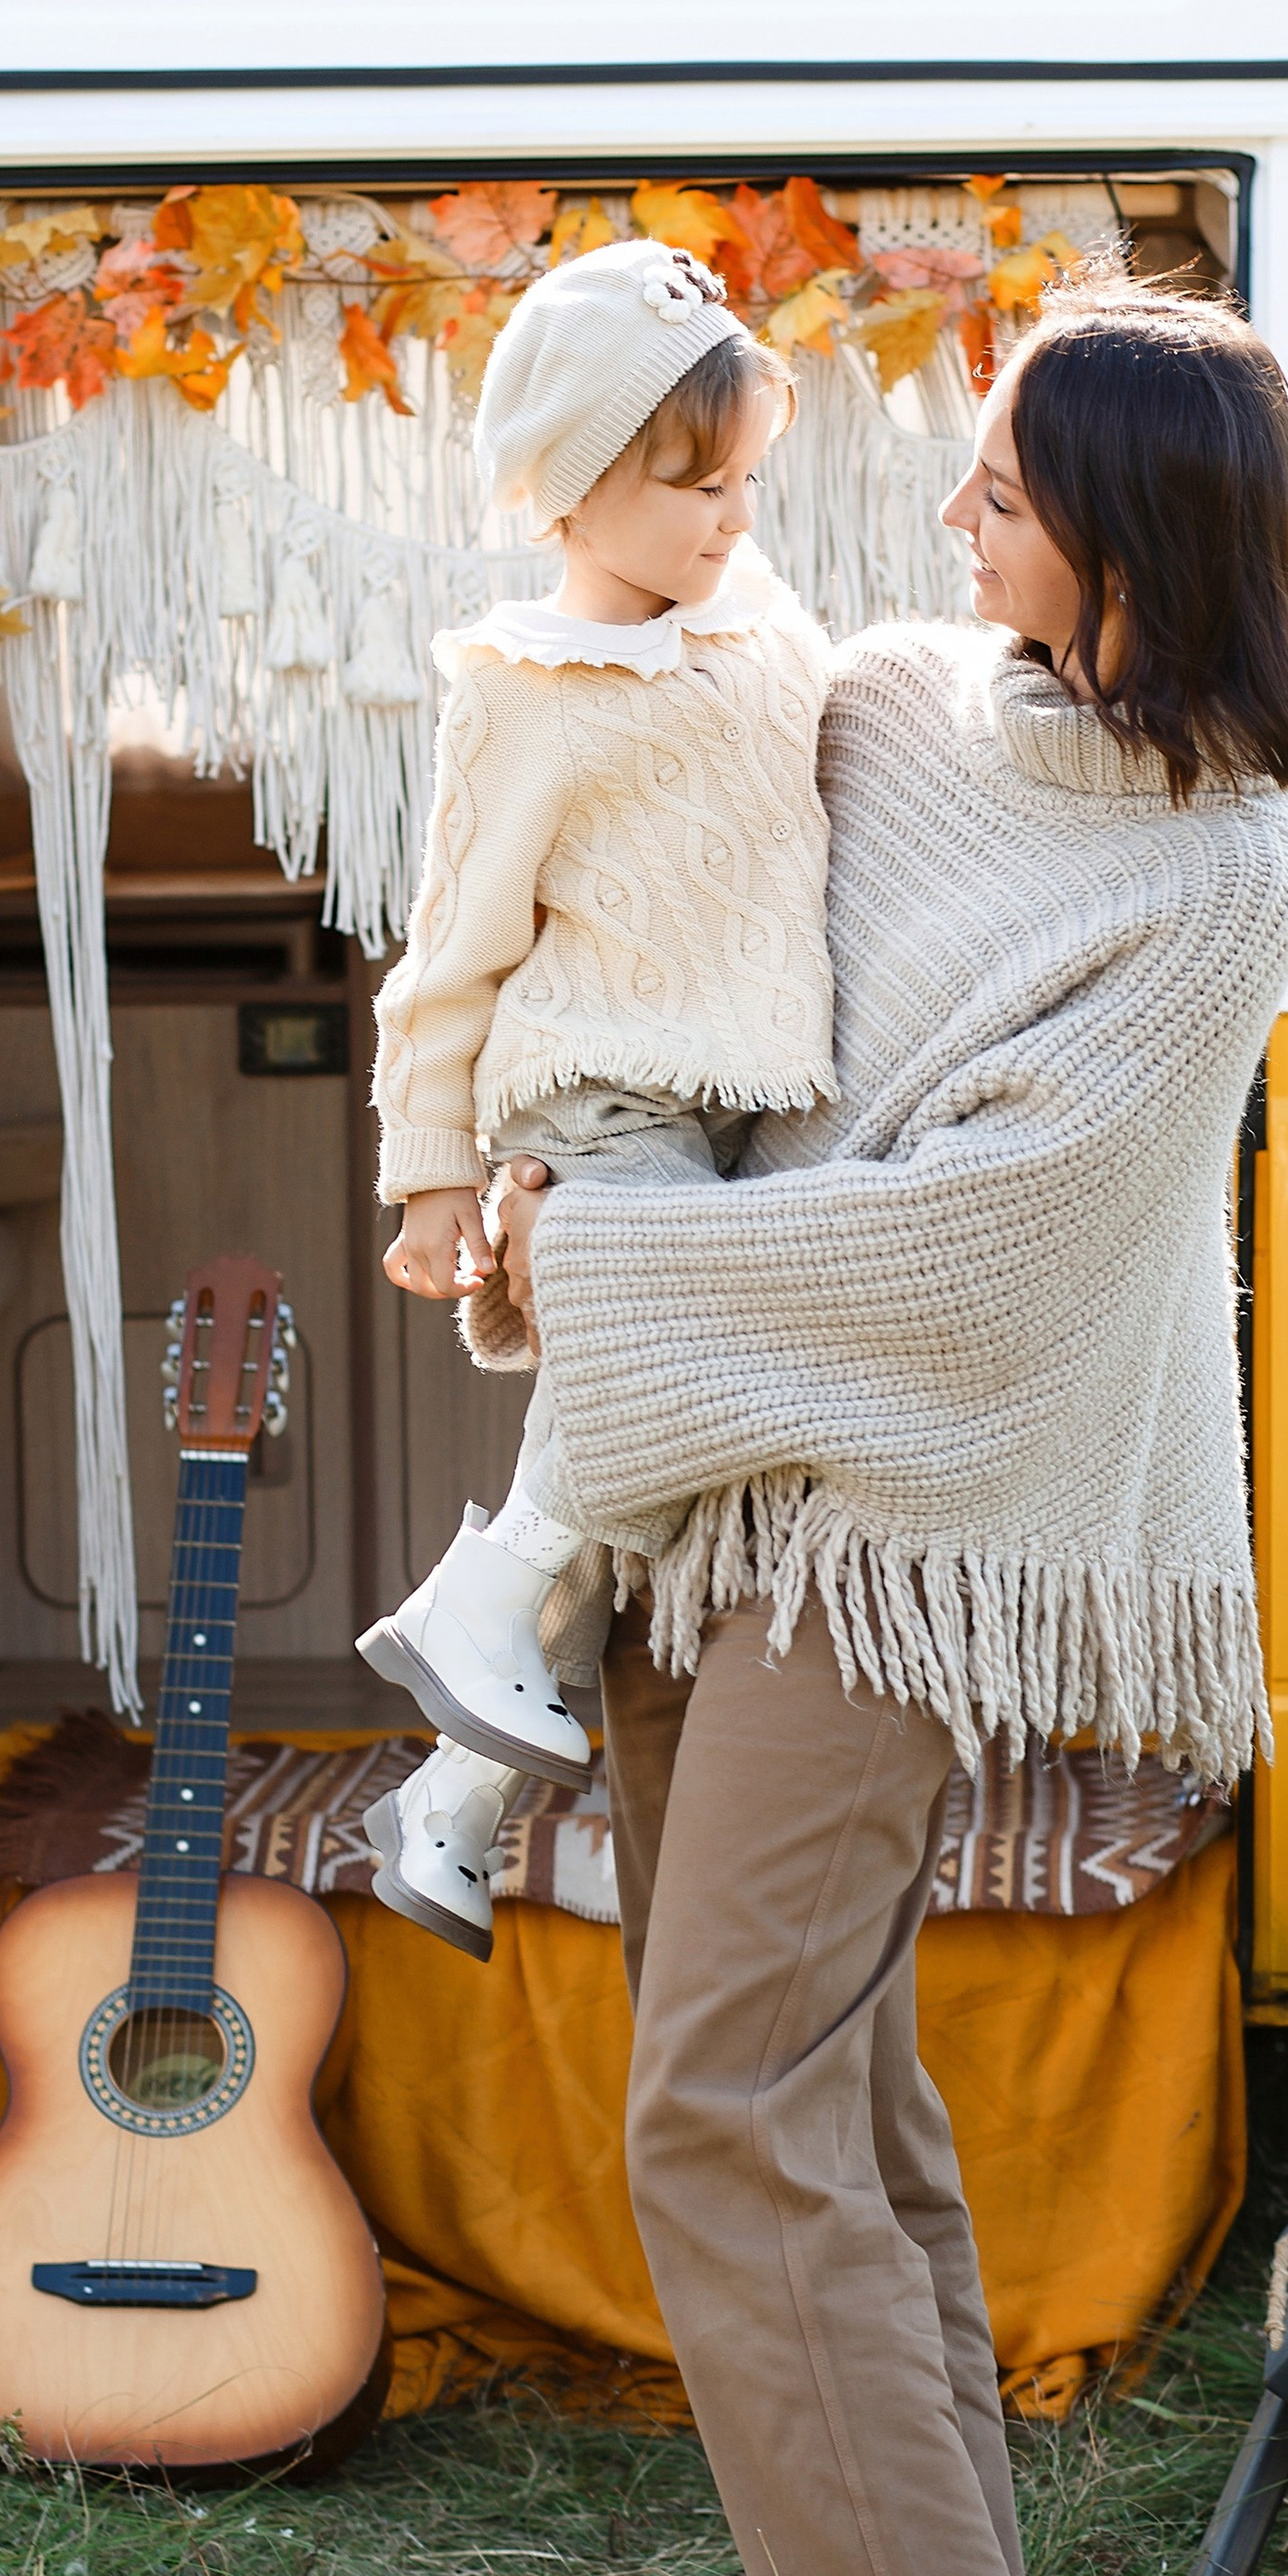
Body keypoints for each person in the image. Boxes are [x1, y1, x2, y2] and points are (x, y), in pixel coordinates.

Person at [492, 280, 1288, 2576]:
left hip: (903, 1529)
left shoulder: (1217, 879)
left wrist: (605, 1262)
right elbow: (652, 857)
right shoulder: (882, 707)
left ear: (1136, 529)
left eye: (998, 483)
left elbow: (985, 1257)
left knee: (724, 2104)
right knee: (834, 2104)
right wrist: (501, 1134)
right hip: (702, 1469)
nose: (945, 514)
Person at [360, 236, 832, 1954]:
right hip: (598, 1110)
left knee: (648, 1483)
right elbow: (450, 955)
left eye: (747, 481)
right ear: (570, 482)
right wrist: (432, 1177)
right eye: (691, 484)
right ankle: (467, 1604)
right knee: (667, 1394)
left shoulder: (767, 637)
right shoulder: (526, 689)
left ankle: (451, 1800)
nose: (729, 519)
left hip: (732, 1120)